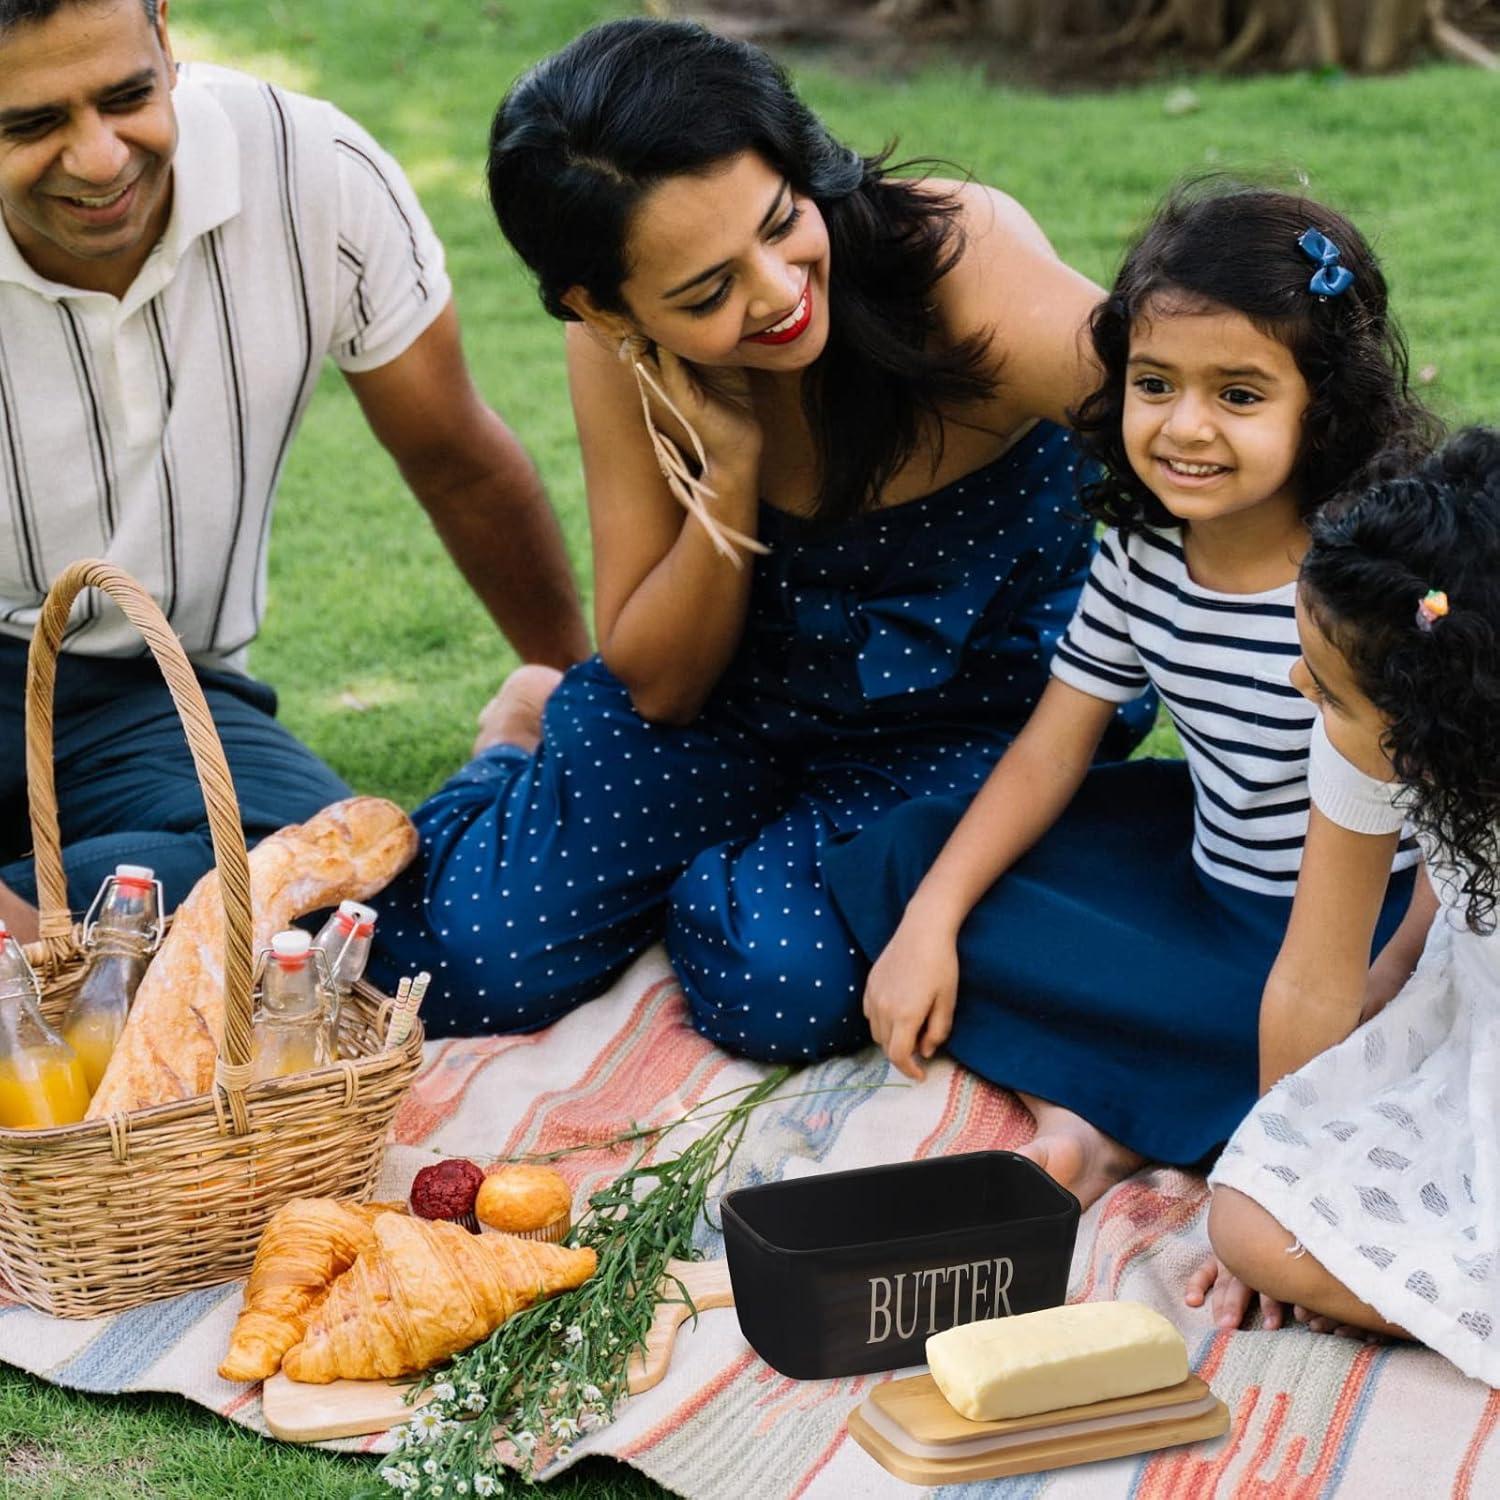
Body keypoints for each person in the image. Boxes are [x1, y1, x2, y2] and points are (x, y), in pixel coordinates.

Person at [367, 17, 1154, 1042]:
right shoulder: (619, 353)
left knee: (774, 983)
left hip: (974, 720)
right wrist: (727, 475)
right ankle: (523, 741)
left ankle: (732, 863)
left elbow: (1195, 448)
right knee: (462, 967)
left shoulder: (959, 262)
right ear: (603, 307)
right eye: (707, 292)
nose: (779, 293)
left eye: (781, 223)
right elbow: (658, 680)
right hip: (734, 712)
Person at [824, 183, 1441, 1207]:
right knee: (916, 862)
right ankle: (1117, 1111)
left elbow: (1458, 831)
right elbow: (1051, 750)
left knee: (1311, 1036)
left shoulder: (1371, 590)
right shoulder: (1144, 548)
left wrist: (1392, 989)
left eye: (1239, 395)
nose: (1185, 428)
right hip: (1199, 877)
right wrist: (932, 920)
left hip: (1352, 934)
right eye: (1156, 383)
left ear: (1321, 408)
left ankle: (1105, 1119)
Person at [0, 0, 587, 936]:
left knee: (312, 886)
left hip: (148, 693)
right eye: (31, 124)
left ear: (163, 30)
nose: (101, 157)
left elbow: (456, 460)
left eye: (126, 97)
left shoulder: (314, 169)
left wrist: (576, 691)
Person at [1192, 430, 1500, 1385]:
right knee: (1247, 1218)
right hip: (1473, 1011)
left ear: (1429, 732)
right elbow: (1316, 969)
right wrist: (1287, 1166)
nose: (1299, 688)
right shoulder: (1374, 730)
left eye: (1324, 691)